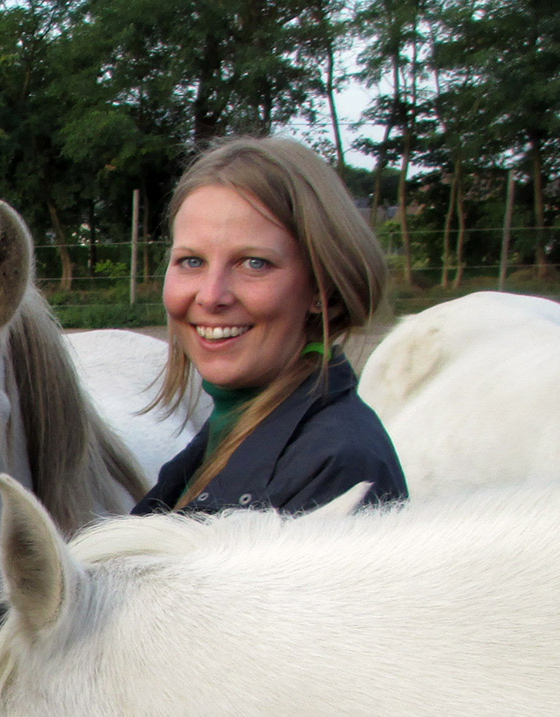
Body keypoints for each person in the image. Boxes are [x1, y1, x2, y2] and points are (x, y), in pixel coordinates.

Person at [132, 135, 407, 519]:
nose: (211, 297)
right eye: (192, 262)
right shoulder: (231, 429)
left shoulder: (338, 469)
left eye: (254, 263)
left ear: (322, 290)